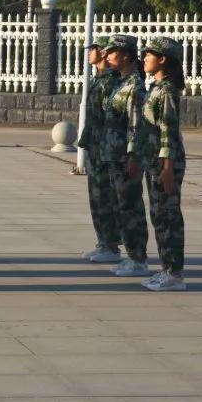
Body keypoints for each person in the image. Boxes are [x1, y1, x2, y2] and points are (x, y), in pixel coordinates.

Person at [138, 37, 187, 291]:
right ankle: (166, 268)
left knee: (168, 215)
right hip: (155, 160)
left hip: (165, 161)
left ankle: (175, 274)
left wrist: (168, 167)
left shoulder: (166, 90)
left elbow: (168, 128)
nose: (145, 57)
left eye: (150, 54)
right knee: (158, 214)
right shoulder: (156, 87)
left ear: (163, 59)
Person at [101, 35, 150, 277]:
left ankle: (138, 258)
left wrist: (133, 157)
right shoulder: (121, 83)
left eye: (113, 51)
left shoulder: (134, 86)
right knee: (121, 206)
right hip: (114, 154)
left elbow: (136, 126)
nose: (107, 55)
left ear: (127, 56)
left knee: (131, 207)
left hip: (125, 157)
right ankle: (132, 255)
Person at [78, 35, 124, 264]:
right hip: (95, 145)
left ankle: (111, 244)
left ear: (103, 52)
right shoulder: (100, 79)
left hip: (105, 147)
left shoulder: (109, 81)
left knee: (104, 195)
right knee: (96, 196)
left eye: (93, 48)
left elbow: (110, 117)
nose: (89, 52)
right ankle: (103, 242)